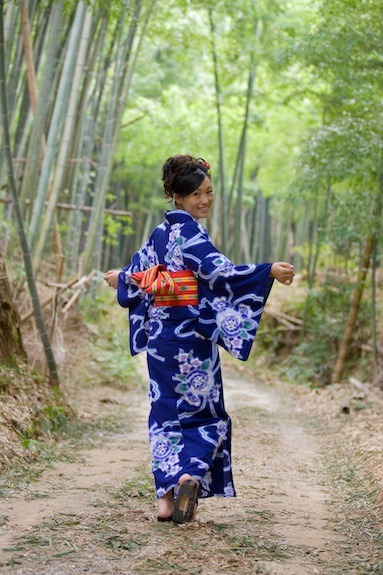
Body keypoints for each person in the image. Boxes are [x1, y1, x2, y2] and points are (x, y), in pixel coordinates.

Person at [104, 154, 294, 523]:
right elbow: (219, 274)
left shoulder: (160, 234)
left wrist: (119, 278)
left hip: (161, 338)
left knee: (164, 414)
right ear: (177, 196)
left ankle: (165, 498)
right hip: (192, 338)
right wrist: (266, 270)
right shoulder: (191, 234)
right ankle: (190, 473)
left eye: (209, 192)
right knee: (204, 414)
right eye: (196, 195)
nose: (204, 200)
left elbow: (136, 273)